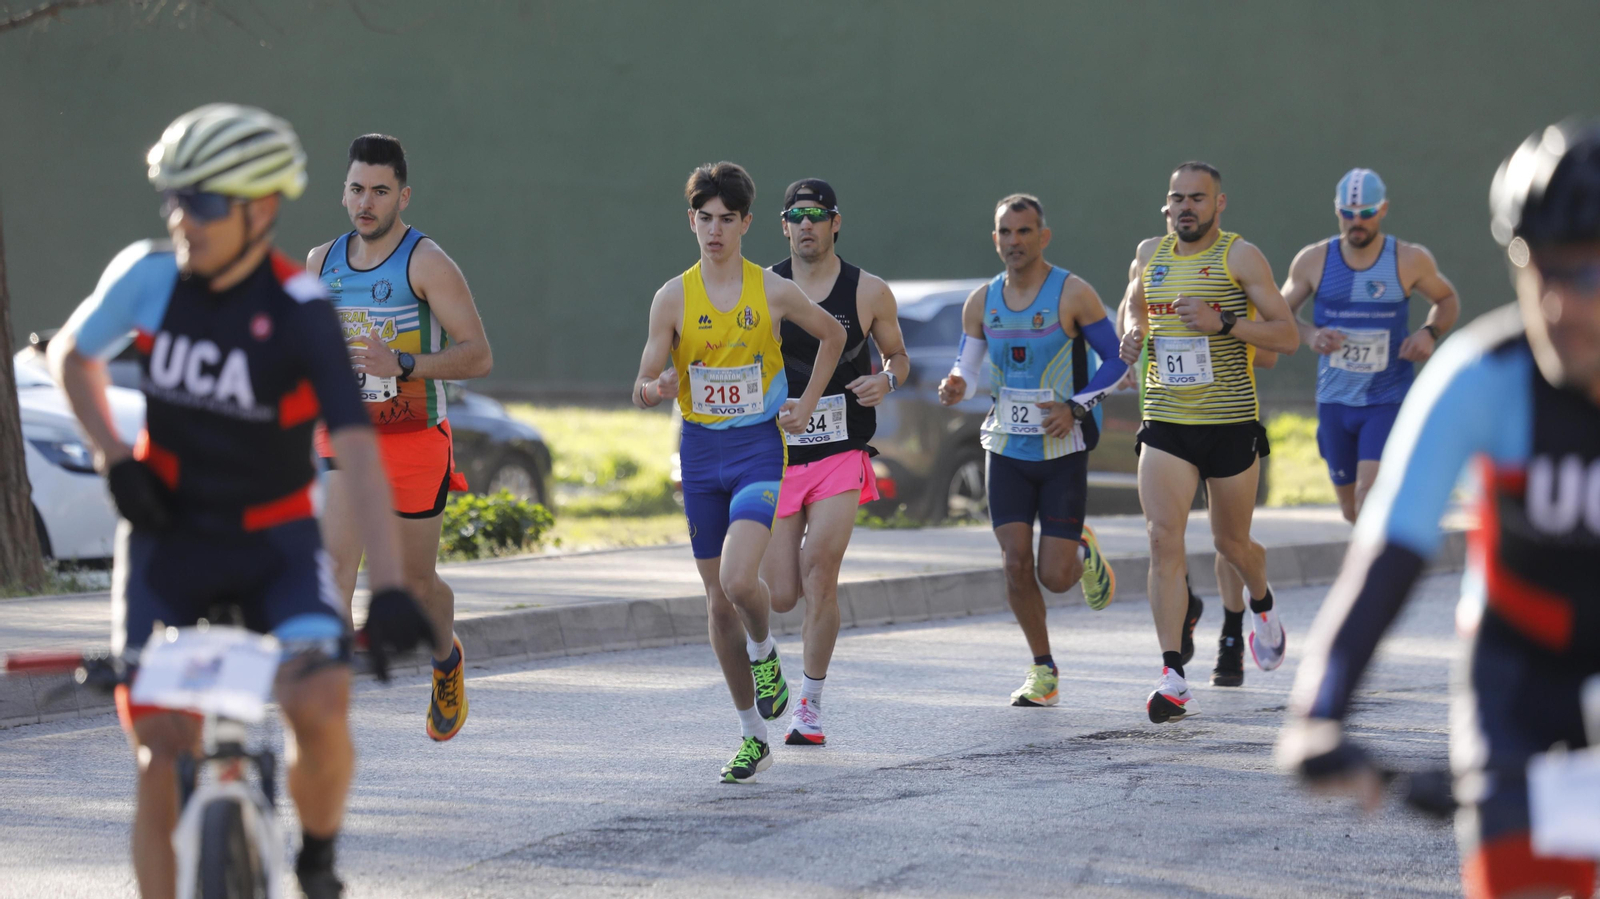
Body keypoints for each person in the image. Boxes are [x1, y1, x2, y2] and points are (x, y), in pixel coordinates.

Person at [47, 104, 433, 899]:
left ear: (261, 210)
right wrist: (117, 459)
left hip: (275, 548)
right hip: (167, 541)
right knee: (159, 745)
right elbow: (71, 356)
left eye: (207, 202)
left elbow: (357, 452)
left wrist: (390, 587)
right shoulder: (148, 277)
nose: (184, 219)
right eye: (175, 198)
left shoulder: (300, 311)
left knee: (319, 700)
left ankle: (318, 856)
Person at [1279, 121, 1600, 899]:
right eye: (1539, 271)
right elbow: (1389, 551)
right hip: (1518, 682)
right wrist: (1319, 710)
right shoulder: (1482, 377)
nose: (1557, 306)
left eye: (1586, 278)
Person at [633, 162, 845, 782]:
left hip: (756, 447)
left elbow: (832, 336)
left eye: (728, 219)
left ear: (748, 223)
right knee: (716, 603)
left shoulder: (771, 290)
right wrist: (656, 388)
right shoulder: (672, 296)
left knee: (736, 578)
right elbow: (643, 381)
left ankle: (764, 650)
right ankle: (753, 734)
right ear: (691, 221)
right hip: (699, 452)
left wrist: (804, 406)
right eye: (706, 218)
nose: (716, 230)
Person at [307, 134, 493, 743]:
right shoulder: (321, 263)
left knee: (415, 584)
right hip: (347, 438)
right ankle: (327, 717)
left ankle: (446, 658)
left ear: (402, 197)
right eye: (357, 188)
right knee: (336, 568)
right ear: (344, 192)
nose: (367, 202)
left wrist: (405, 365)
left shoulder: (427, 263)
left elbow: (477, 356)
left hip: (414, 437)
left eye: (380, 191)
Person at [1118, 162, 1300, 721]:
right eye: (1177, 199)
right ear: (1166, 205)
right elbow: (1134, 303)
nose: (1186, 208)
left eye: (1198, 198)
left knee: (1231, 543)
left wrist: (1226, 324)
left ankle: (1262, 604)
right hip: (1167, 420)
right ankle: (1173, 675)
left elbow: (1288, 336)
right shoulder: (1152, 254)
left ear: (1219, 204)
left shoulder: (1239, 258)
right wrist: (1132, 332)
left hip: (1229, 422)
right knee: (1161, 539)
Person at [938, 194, 1125, 707]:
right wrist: (957, 383)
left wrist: (1077, 406)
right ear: (994, 238)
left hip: (1063, 448)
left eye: (1024, 232)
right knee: (1015, 563)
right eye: (1005, 232)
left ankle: (1081, 553)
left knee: (1055, 577)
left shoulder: (1074, 294)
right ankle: (1043, 668)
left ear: (1043, 236)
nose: (1014, 242)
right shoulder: (982, 301)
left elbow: (1115, 363)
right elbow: (969, 366)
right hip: (1007, 448)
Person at [759, 179, 909, 746]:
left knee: (821, 570)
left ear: (835, 223)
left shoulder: (868, 291)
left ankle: (811, 706)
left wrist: (886, 379)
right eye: (796, 216)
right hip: (778, 455)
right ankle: (766, 652)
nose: (806, 225)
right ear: (783, 225)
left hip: (841, 452)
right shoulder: (766, 288)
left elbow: (898, 357)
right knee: (780, 593)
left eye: (816, 216)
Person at [1281, 168, 1460, 523]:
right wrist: (1310, 335)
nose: (1356, 222)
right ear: (1337, 211)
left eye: (1366, 213)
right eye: (1348, 214)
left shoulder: (1408, 259)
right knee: (1351, 510)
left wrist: (1429, 332)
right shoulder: (1314, 260)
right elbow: (1281, 314)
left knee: (1368, 495)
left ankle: (1375, 575)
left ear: (1383, 209)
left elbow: (1447, 299)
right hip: (1335, 400)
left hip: (1387, 398)